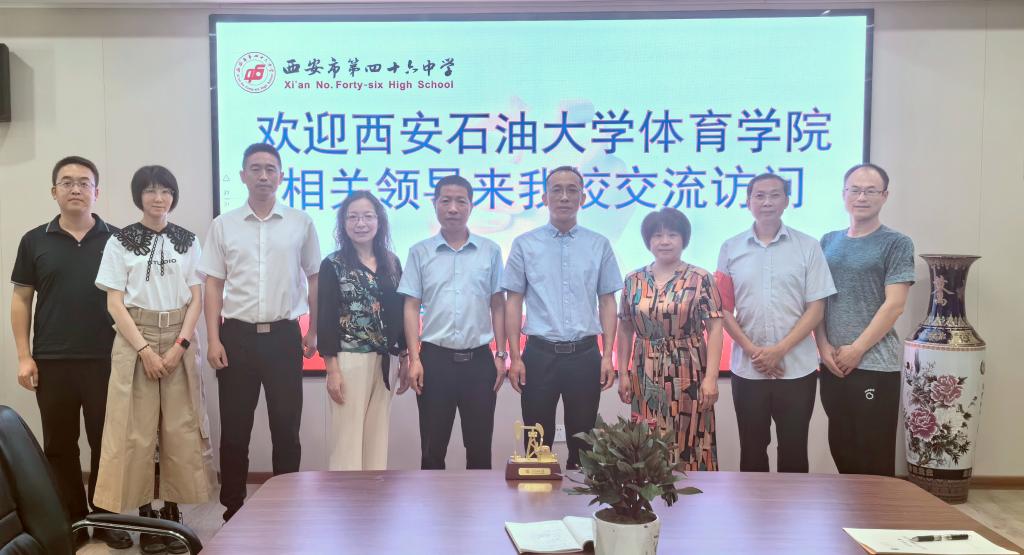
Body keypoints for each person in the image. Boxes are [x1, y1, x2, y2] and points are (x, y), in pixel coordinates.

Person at [10, 156, 132, 549]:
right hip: (52, 360)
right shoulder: (34, 240)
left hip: (106, 359)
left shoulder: (118, 240)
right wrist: (24, 356)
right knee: (60, 445)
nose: (76, 188)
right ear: (54, 192)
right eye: (67, 182)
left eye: (84, 182)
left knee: (106, 443)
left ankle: (105, 518)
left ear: (97, 191)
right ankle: (73, 519)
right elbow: (21, 300)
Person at [92, 165, 216, 554]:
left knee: (180, 427)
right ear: (139, 197)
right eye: (150, 191)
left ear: (173, 196)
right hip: (135, 337)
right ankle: (146, 516)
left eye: (165, 191)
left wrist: (180, 345)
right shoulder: (120, 241)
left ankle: (173, 513)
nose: (158, 198)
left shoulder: (188, 240)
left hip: (180, 334)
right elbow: (114, 302)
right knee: (135, 430)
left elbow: (197, 298)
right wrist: (144, 350)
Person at [198, 143, 321, 521]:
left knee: (286, 428)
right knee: (235, 431)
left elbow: (314, 278)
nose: (264, 175)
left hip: (284, 337)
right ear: (243, 175)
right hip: (236, 338)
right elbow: (213, 284)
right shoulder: (224, 225)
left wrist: (314, 330)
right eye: (256, 168)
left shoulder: (301, 222)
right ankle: (233, 507)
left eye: (270, 169)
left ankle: (286, 505)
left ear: (281, 176)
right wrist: (214, 339)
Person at [502, 166, 621, 469]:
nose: (564, 197)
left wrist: (608, 355)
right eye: (557, 189)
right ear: (545, 197)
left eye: (572, 190)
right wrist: (515, 357)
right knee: (536, 442)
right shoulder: (525, 244)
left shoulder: (599, 244)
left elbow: (608, 302)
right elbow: (513, 302)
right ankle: (536, 498)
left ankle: (579, 498)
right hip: (539, 355)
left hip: (585, 355)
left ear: (583, 197)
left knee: (584, 444)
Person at [716, 173, 836, 473]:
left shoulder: (808, 246)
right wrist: (754, 352)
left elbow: (816, 308)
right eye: (759, 195)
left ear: (786, 201)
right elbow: (724, 309)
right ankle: (754, 505)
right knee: (752, 450)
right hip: (748, 370)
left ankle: (792, 506)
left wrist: (779, 351)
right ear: (748, 202)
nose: (767, 202)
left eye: (774, 195)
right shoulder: (730, 248)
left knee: (794, 449)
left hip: (796, 368)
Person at [400, 175, 506, 470]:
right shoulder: (420, 252)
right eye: (445, 201)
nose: (453, 208)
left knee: (480, 448)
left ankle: (479, 502)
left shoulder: (490, 250)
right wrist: (414, 359)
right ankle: (432, 502)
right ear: (435, 204)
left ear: (471, 206)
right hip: (435, 362)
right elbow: (411, 306)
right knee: (432, 450)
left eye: (461, 201)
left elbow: (498, 304)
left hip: (479, 362)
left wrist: (501, 355)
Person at [816, 163, 915, 476]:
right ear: (844, 194)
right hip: (833, 364)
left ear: (884, 196)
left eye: (871, 191)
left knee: (873, 456)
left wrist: (857, 349)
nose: (862, 197)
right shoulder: (828, 241)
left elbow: (895, 305)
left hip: (874, 365)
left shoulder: (896, 243)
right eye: (855, 190)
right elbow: (818, 301)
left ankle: (876, 510)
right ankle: (850, 508)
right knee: (841, 447)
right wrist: (823, 347)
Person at [617, 208, 724, 470]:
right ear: (648, 240)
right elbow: (625, 328)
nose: (664, 241)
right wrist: (623, 373)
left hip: (689, 368)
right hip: (645, 371)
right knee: (647, 436)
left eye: (672, 235)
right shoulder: (633, 280)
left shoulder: (701, 278)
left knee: (690, 434)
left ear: (684, 239)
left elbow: (715, 328)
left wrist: (711, 378)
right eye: (657, 235)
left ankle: (694, 493)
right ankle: (648, 493)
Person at [317, 191, 409, 471]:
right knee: (347, 441)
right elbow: (326, 319)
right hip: (349, 361)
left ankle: (373, 496)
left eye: (368, 216)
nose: (361, 223)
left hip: (386, 362)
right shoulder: (333, 264)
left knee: (376, 440)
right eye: (353, 217)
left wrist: (405, 357)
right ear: (343, 223)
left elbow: (400, 311)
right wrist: (332, 370)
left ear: (379, 221)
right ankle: (346, 498)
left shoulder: (392, 262)